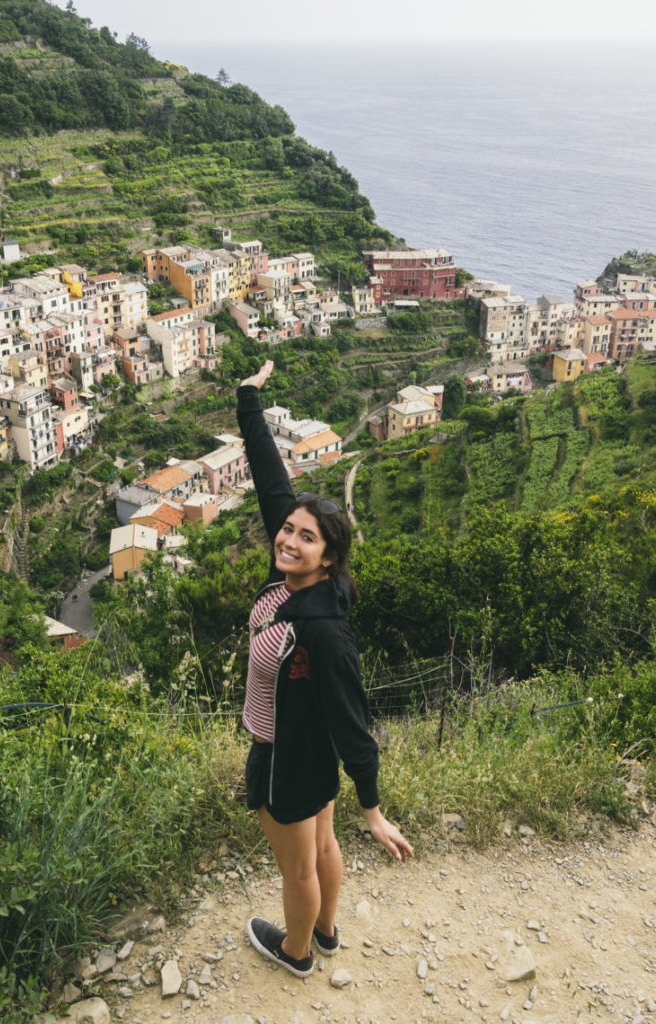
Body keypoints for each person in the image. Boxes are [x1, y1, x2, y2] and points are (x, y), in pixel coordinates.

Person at [237, 360, 413, 979]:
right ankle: (329, 933)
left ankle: (298, 951)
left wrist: (373, 808)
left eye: (304, 537)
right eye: (286, 530)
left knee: (299, 866)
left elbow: (351, 718)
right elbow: (269, 479)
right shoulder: (298, 582)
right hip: (306, 750)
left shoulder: (321, 630)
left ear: (329, 555)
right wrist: (248, 402)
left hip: (287, 754)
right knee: (320, 846)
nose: (287, 540)